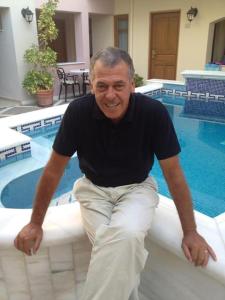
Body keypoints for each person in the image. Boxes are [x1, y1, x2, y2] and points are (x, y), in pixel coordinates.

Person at [14, 47, 217, 300]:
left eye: (119, 85)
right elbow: (54, 170)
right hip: (93, 190)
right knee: (120, 247)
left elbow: (174, 174)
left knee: (127, 236)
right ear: (92, 85)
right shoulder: (78, 113)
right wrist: (35, 223)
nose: (110, 95)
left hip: (137, 189)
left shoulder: (153, 113)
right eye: (102, 86)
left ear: (132, 85)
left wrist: (190, 231)